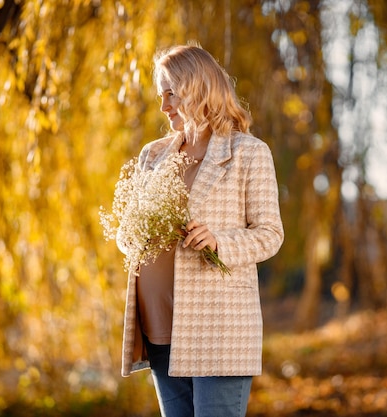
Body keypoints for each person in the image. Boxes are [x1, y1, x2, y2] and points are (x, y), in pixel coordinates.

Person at [117, 43, 284, 417]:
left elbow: (270, 233)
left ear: (199, 88)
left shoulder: (248, 152)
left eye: (171, 93)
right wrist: (133, 233)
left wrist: (218, 241)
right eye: (162, 95)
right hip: (159, 327)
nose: (164, 106)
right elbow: (127, 235)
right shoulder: (152, 155)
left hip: (218, 329)